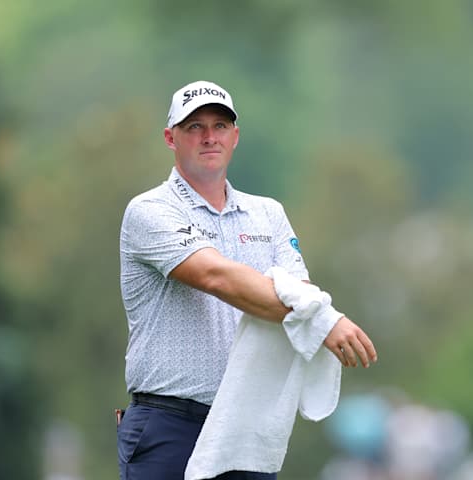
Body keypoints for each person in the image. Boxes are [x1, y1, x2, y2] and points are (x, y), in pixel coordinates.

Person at [116, 80, 378, 480]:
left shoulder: (268, 214)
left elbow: (299, 293)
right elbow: (215, 276)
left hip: (246, 426)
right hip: (168, 422)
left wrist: (311, 310)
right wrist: (323, 319)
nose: (209, 137)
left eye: (220, 126)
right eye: (194, 127)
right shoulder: (150, 210)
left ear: (235, 136)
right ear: (171, 138)